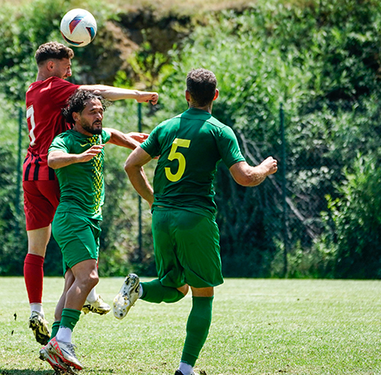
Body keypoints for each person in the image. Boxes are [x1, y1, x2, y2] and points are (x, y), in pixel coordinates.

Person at [115, 68, 278, 375]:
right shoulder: (219, 130)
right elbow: (244, 177)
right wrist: (265, 167)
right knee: (203, 295)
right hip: (195, 218)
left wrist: (153, 200)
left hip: (161, 218)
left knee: (175, 287)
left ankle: (139, 290)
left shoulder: (165, 127)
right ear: (215, 95)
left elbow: (131, 165)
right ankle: (186, 369)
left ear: (187, 95)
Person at [23, 41, 159, 346]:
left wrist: (135, 141)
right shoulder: (53, 88)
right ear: (50, 67)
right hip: (51, 171)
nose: (69, 71)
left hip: (29, 172)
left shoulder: (32, 90)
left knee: (36, 250)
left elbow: (109, 133)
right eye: (65, 65)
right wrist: (136, 95)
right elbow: (97, 91)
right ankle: (87, 295)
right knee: (76, 241)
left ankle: (36, 310)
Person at [38, 89, 147, 373]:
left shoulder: (98, 135)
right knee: (90, 279)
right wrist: (78, 157)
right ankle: (63, 342)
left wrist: (136, 141)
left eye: (100, 110)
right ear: (75, 117)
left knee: (72, 283)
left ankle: (54, 341)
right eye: (92, 112)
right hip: (73, 218)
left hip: (89, 220)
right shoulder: (67, 139)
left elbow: (113, 134)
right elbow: (52, 159)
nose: (98, 115)